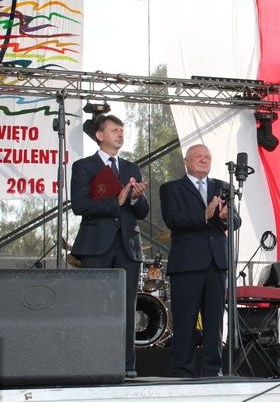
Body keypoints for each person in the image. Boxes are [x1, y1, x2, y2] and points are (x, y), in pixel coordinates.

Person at [70, 114, 149, 379]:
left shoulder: (131, 168)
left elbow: (142, 211)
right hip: (96, 245)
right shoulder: (84, 166)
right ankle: (92, 362)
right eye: (115, 130)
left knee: (127, 307)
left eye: (122, 130)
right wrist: (117, 201)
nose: (120, 134)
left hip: (128, 246)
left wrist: (135, 199)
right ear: (100, 135)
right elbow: (79, 205)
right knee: (95, 305)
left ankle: (127, 365)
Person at [159, 144, 240, 378]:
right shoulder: (171, 188)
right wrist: (203, 215)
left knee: (214, 322)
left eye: (207, 157)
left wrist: (225, 217)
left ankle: (213, 371)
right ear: (186, 161)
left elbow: (236, 221)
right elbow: (172, 219)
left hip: (217, 264)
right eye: (198, 156)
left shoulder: (222, 187)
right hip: (187, 264)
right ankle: (182, 371)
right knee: (185, 321)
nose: (203, 160)